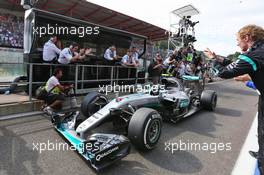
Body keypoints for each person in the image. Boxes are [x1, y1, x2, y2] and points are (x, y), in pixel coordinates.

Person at [203, 24, 264, 174]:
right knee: (261, 129)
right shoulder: (259, 51)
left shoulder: (254, 54)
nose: (237, 43)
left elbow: (223, 72)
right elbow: (234, 64)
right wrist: (217, 57)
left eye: (238, 40)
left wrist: (212, 60)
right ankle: (262, 155)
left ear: (247, 37)